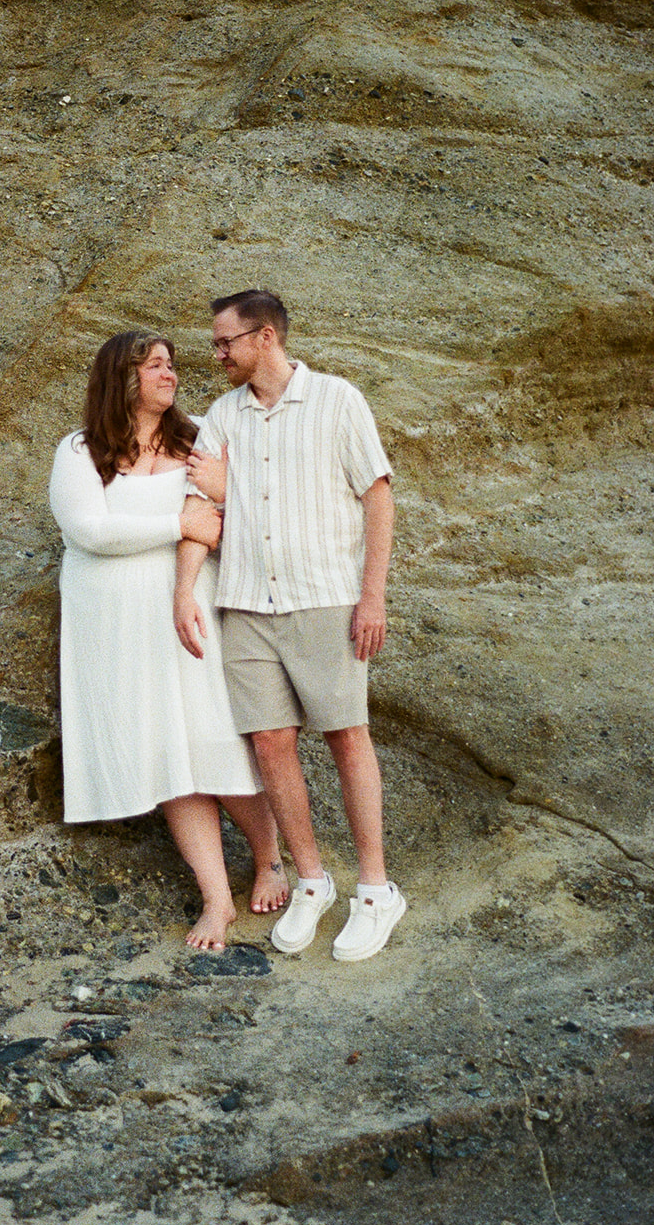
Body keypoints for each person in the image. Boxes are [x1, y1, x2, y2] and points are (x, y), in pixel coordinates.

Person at [174, 290, 405, 962]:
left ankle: (374, 889)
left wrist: (371, 598)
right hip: (245, 605)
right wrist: (185, 590)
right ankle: (310, 880)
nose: (216, 355)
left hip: (323, 598)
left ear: (265, 336)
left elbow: (377, 497)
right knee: (270, 744)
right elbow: (200, 508)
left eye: (225, 343)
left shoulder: (337, 400)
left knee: (345, 737)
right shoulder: (221, 415)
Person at [48, 329, 288, 952]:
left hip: (191, 616)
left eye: (171, 364)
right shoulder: (79, 451)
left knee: (215, 738)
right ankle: (217, 898)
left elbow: (243, 508)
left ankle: (270, 858)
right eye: (153, 364)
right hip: (116, 629)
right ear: (119, 379)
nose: (169, 373)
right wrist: (175, 521)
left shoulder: (200, 436)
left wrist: (206, 513)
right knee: (168, 758)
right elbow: (87, 531)